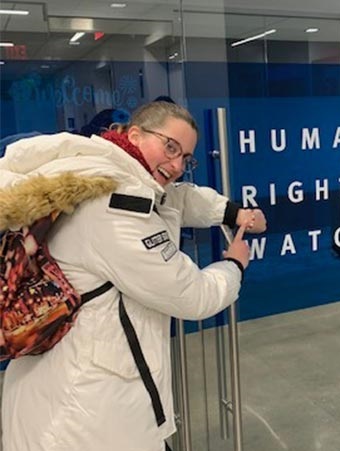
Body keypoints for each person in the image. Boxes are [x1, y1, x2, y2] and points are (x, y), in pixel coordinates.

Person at [0, 100, 267, 451]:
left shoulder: (99, 169)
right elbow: (192, 294)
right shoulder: (115, 209)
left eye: (186, 158)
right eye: (170, 147)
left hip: (64, 391)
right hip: (85, 415)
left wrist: (232, 212)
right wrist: (234, 265)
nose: (176, 165)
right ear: (136, 134)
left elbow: (175, 199)